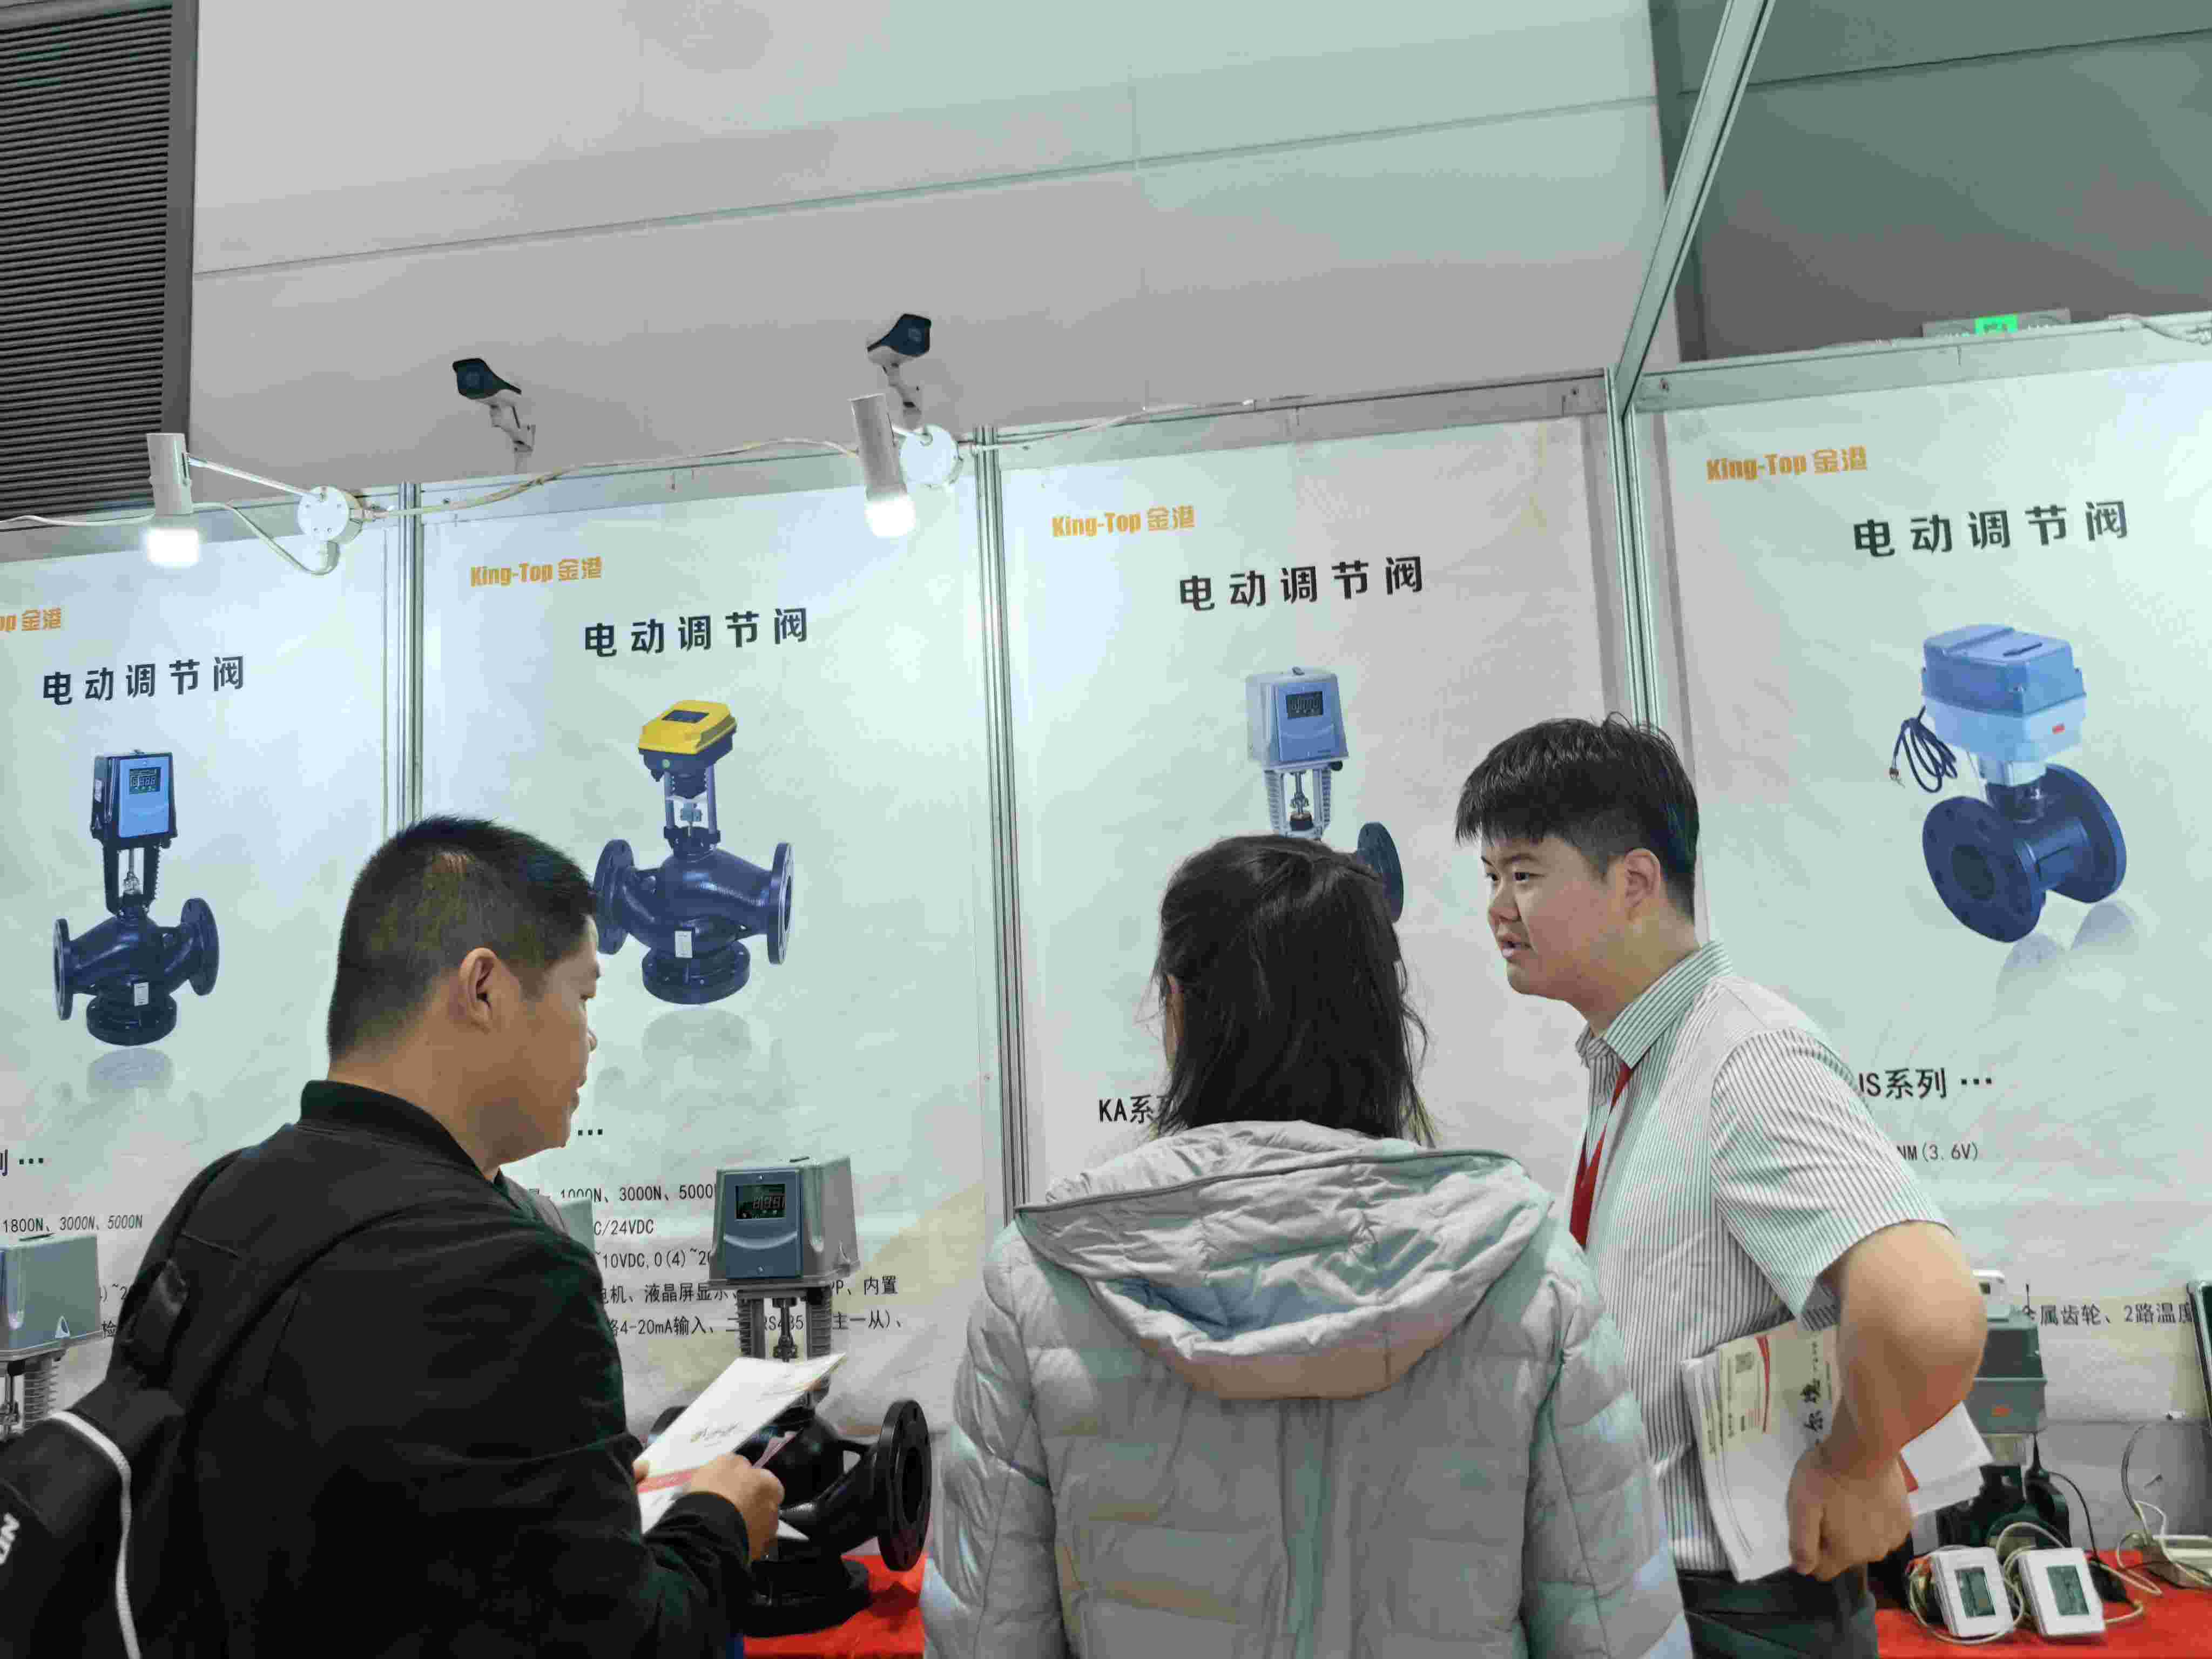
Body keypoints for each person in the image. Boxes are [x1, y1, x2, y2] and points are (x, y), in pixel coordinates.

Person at [921, 833, 1690, 1657]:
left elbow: (989, 1635)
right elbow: (1616, 1632)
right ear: (1384, 1020)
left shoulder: (1042, 1281)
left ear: (1177, 1010)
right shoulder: (1529, 1271)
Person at [107, 815, 784, 1656]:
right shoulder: (514, 1274)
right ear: (485, 989)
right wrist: (719, 1523)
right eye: (582, 997)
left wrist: (572, 1493)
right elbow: (628, 1643)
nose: (590, 1037)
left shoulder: (218, 1199)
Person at [1456, 716, 1988, 1658]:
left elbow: (1928, 1314)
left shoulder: (1745, 1056)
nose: (1500, 907)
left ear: (1633, 883)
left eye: (1526, 874)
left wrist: (1856, 1464)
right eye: (1491, 876)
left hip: (1749, 1613)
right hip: (1662, 1599)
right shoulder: (1636, 1061)